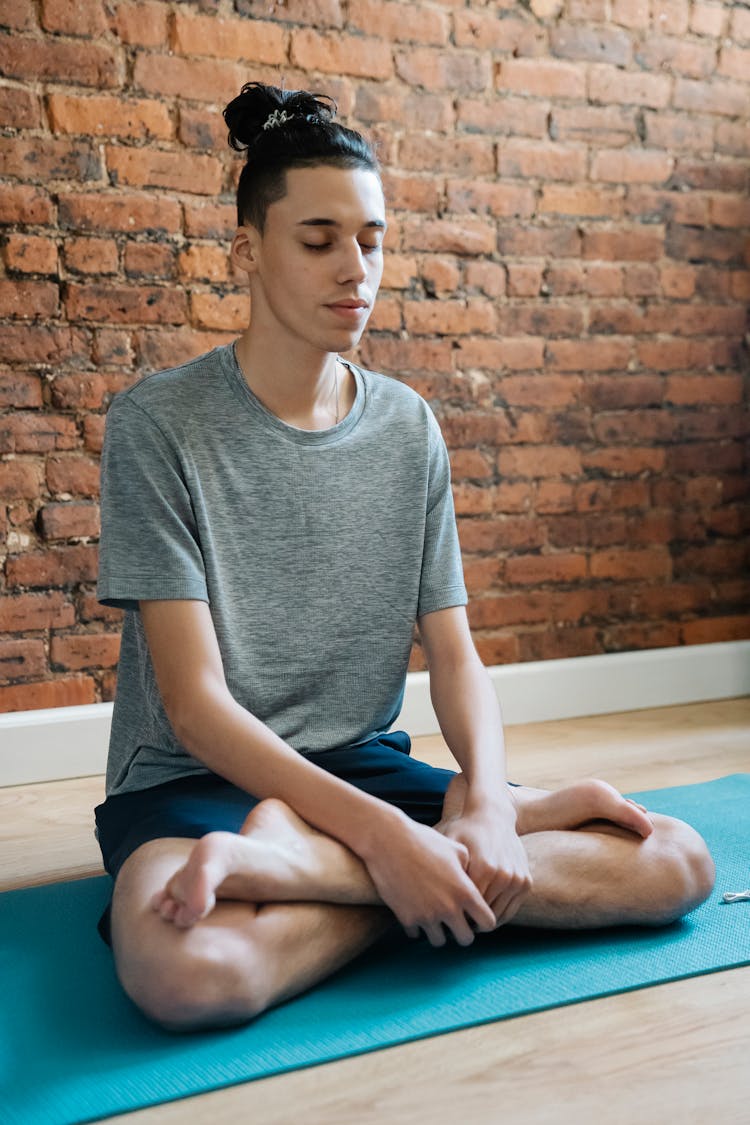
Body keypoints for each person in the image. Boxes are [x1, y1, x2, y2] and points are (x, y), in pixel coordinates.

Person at [94, 82, 715, 1032]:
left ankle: (312, 870)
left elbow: (455, 654)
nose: (356, 269)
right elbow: (195, 706)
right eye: (318, 239)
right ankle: (414, 872)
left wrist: (493, 809)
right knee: (192, 973)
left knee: (678, 860)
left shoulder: (408, 426)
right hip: (197, 782)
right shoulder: (157, 425)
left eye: (373, 239)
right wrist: (393, 840)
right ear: (248, 248)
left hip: (364, 766)